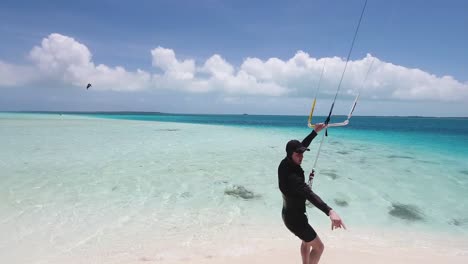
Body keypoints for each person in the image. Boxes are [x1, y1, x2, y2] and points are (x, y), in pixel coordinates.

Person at [278, 123, 346, 264]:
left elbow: (302, 145)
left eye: (302, 153)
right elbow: (310, 195)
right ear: (290, 154)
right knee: (319, 247)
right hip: (295, 221)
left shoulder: (285, 163)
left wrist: (315, 131)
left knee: (306, 242)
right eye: (298, 154)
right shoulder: (292, 176)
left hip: (290, 214)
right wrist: (330, 211)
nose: (301, 156)